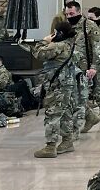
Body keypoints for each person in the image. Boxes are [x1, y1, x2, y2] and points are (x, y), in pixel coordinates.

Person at [30, 19, 81, 158]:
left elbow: (38, 53)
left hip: (58, 86)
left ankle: (50, 146)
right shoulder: (71, 44)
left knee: (52, 114)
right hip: (67, 84)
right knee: (65, 113)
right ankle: (67, 141)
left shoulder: (58, 46)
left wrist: (44, 41)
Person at [64, 2, 100, 136]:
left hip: (84, 69)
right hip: (69, 68)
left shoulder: (89, 26)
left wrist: (94, 67)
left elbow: (97, 48)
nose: (69, 16)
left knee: (78, 99)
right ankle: (91, 117)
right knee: (73, 98)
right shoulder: (67, 26)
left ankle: (73, 132)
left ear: (79, 12)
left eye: (72, 14)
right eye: (67, 14)